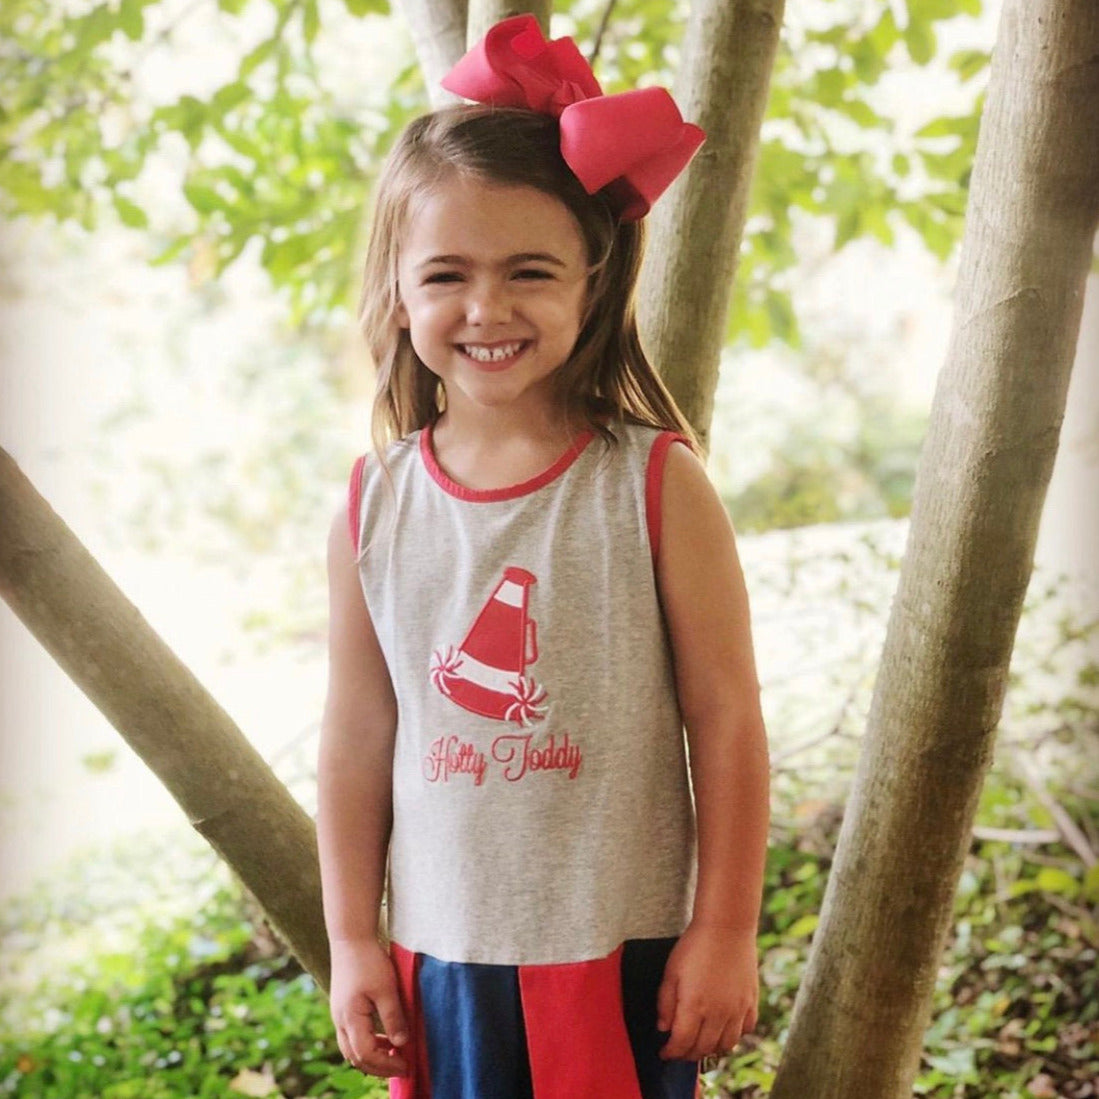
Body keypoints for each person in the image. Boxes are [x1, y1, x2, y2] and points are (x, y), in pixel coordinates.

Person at [316, 15, 770, 1099]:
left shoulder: (654, 484)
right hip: (445, 963)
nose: (487, 309)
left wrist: (726, 929)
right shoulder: (372, 507)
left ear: (593, 281)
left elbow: (726, 715)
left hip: (619, 954)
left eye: (529, 271)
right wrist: (350, 936)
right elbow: (357, 734)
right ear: (397, 292)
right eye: (445, 276)